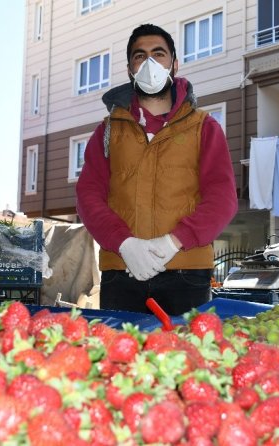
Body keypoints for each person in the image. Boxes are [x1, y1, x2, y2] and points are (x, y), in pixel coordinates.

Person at [76, 24, 238, 315]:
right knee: (122, 359)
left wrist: (173, 242)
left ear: (174, 64)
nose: (150, 63)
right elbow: (88, 196)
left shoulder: (204, 127)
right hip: (121, 271)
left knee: (187, 358)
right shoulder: (108, 131)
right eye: (140, 56)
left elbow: (222, 198)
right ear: (129, 69)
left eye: (158, 54)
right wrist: (123, 243)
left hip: (186, 272)